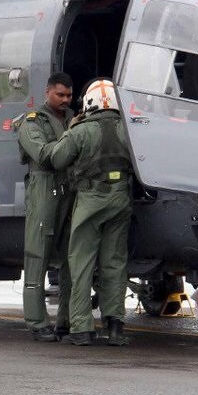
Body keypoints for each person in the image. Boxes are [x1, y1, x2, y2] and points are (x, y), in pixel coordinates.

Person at [46, 78, 134, 347]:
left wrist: (70, 131)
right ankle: (116, 326)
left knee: (81, 262)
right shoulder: (129, 129)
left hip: (90, 199)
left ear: (89, 103)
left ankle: (82, 328)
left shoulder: (81, 129)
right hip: (121, 197)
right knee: (114, 262)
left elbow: (57, 159)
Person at [15, 72, 75, 341]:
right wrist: (73, 141)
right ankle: (37, 321)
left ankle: (66, 320)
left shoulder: (74, 118)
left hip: (69, 188)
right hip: (44, 188)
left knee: (71, 257)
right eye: (60, 95)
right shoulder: (32, 122)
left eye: (69, 95)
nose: (65, 100)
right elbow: (43, 154)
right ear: (47, 93)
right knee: (37, 255)